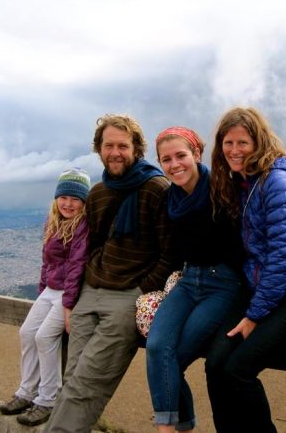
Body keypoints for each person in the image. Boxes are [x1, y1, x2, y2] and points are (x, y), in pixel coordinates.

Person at [43, 114, 174, 433]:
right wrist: (79, 293)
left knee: (89, 380)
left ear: (136, 149)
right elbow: (91, 245)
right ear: (99, 149)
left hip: (128, 296)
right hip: (92, 291)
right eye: (108, 145)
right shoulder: (99, 193)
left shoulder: (157, 188)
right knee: (72, 376)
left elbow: (169, 252)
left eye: (122, 146)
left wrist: (142, 289)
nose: (115, 152)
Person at [205, 107, 286, 433]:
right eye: (228, 143)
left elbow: (284, 260)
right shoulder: (241, 182)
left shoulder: (277, 181)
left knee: (237, 371)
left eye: (242, 142)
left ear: (258, 142)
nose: (234, 150)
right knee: (215, 365)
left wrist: (254, 316)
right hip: (263, 293)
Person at [145, 127, 244, 432]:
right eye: (166, 159)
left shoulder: (223, 187)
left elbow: (262, 216)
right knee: (156, 347)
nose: (174, 165)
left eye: (180, 156)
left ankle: (173, 428)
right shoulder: (170, 197)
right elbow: (169, 246)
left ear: (197, 154)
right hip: (189, 280)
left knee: (173, 357)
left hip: (224, 284)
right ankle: (178, 426)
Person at [0, 167, 91, 427]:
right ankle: (26, 392)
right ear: (56, 198)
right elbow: (46, 261)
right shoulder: (52, 221)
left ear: (83, 202)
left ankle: (48, 399)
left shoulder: (82, 226)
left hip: (67, 293)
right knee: (27, 333)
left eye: (75, 199)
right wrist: (42, 291)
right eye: (64, 197)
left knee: (45, 336)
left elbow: (77, 266)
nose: (68, 204)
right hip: (50, 290)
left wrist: (69, 304)